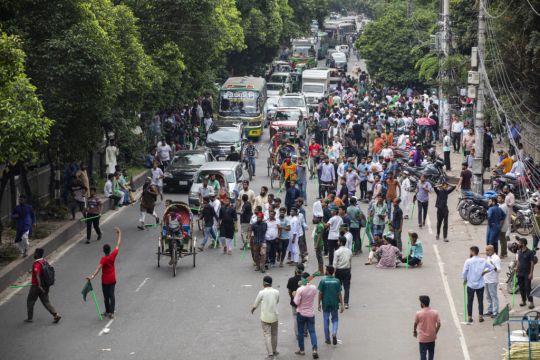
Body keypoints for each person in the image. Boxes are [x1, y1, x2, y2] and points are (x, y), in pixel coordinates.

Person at [86, 227, 122, 319]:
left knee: (106, 296)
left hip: (105, 280)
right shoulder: (113, 255)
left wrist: (92, 276)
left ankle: (107, 311)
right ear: (109, 250)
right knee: (112, 295)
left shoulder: (104, 259)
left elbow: (98, 268)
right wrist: (119, 233)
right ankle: (112, 312)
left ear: (103, 250)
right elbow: (118, 244)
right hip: (113, 279)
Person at [25, 247, 61, 323]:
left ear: (37, 254)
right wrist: (32, 270)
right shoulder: (44, 261)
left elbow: (38, 275)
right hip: (46, 286)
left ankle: (30, 318)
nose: (34, 254)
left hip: (36, 286)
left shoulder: (36, 264)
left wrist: (39, 286)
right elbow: (43, 270)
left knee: (30, 301)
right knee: (46, 301)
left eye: (35, 253)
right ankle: (56, 314)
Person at [251, 276, 280, 360]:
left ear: (264, 283)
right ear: (271, 283)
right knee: (274, 334)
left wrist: (253, 309)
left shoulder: (261, 292)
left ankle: (270, 354)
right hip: (274, 316)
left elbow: (256, 303)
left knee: (267, 335)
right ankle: (274, 351)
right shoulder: (276, 292)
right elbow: (277, 301)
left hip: (265, 317)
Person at [462, 246, 493, 323]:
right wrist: (484, 272)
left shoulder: (468, 261)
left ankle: (469, 317)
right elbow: (491, 267)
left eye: (470, 251)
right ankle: (480, 316)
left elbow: (464, 273)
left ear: (472, 252)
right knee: (480, 301)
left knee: (470, 301)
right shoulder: (483, 260)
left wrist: (465, 279)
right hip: (480, 284)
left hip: (471, 284)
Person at [294, 272, 319, 359]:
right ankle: (315, 349)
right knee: (312, 331)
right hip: (310, 313)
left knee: (300, 332)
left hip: (301, 313)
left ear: (302, 279)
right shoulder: (314, 288)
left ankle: (302, 350)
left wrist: (295, 295)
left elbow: (296, 302)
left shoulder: (300, 289)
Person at [317, 265, 344, 346]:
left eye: (326, 269)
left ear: (328, 271)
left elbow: (320, 293)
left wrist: (318, 304)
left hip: (325, 303)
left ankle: (327, 339)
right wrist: (342, 304)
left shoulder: (323, 281)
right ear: (333, 272)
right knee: (335, 319)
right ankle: (334, 333)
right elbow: (339, 294)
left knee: (326, 321)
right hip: (334, 303)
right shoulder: (337, 281)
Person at [413, 295, 441, 360]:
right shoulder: (435, 312)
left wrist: (414, 331)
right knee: (431, 354)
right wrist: (435, 333)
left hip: (423, 339)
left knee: (423, 355)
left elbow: (415, 323)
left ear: (422, 304)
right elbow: (439, 324)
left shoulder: (418, 313)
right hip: (432, 338)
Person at [515, 237, 535, 309]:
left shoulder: (530, 252)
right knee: (521, 288)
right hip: (520, 273)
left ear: (523, 244)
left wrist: (531, 273)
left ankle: (531, 302)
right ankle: (523, 301)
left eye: (520, 243)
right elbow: (518, 261)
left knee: (527, 288)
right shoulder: (519, 251)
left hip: (527, 273)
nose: (518, 244)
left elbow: (532, 263)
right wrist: (516, 268)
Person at [334, 237, 352, 308]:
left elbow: (334, 263)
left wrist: (333, 273)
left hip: (338, 271)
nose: (337, 242)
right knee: (347, 288)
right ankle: (346, 303)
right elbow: (350, 262)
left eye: (338, 241)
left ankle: (338, 301)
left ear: (341, 242)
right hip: (347, 270)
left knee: (338, 287)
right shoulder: (349, 251)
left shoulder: (337, 252)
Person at [287, 264, 304, 339]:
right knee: (304, 316)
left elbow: (289, 291)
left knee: (295, 317)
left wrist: (292, 297)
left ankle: (297, 334)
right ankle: (304, 331)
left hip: (294, 302)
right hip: (303, 302)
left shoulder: (291, 279)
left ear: (296, 270)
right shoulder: (304, 280)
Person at [484, 245, 501, 318]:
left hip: (492, 280)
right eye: (486, 250)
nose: (486, 252)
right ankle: (490, 310)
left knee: (493, 296)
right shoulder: (488, 257)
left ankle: (495, 312)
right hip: (486, 279)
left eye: (487, 250)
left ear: (491, 250)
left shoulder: (496, 258)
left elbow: (498, 270)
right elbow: (487, 267)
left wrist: (494, 267)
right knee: (488, 296)